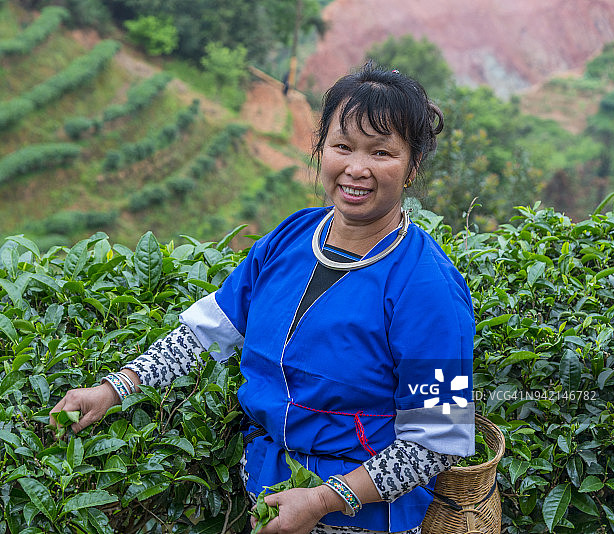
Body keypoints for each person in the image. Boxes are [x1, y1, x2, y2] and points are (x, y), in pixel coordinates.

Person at [51, 62, 476, 534]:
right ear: (320, 150)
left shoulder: (428, 287)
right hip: (265, 494)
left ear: (412, 166)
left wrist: (322, 500)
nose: (357, 168)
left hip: (362, 519)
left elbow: (437, 441)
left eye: (381, 152)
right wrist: (113, 389)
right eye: (342, 146)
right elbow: (209, 329)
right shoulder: (292, 236)